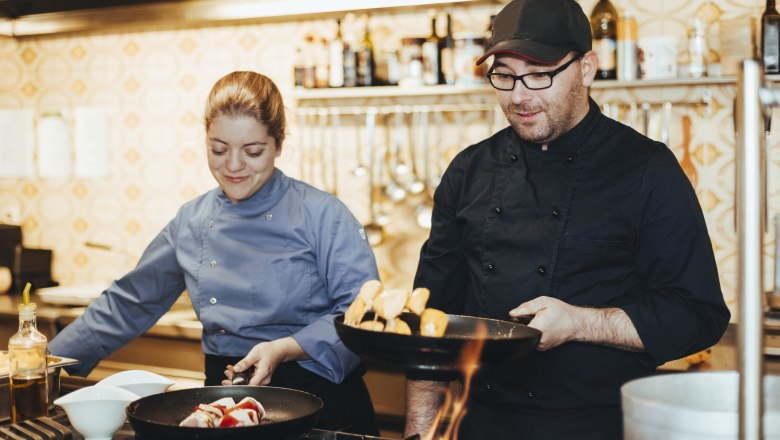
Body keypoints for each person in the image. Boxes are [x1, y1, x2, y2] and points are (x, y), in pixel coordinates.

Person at [404, 1, 731, 439]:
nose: (519, 95)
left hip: (595, 424)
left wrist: (580, 322)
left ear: (587, 68)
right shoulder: (468, 171)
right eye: (504, 75)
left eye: (539, 73)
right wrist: (419, 431)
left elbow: (697, 314)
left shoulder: (646, 168)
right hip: (478, 420)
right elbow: (431, 320)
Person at [49, 71, 381, 436]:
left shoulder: (324, 215)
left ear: (279, 144)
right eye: (218, 149)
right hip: (223, 402)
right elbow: (129, 302)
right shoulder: (192, 220)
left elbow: (363, 315)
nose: (234, 165)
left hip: (318, 401)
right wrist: (44, 364)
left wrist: (285, 348)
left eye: (253, 151)